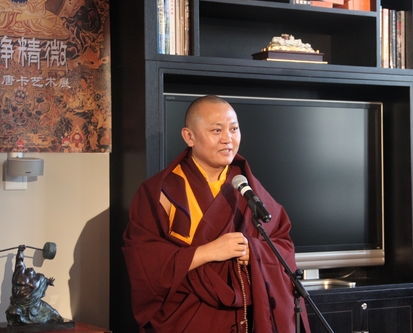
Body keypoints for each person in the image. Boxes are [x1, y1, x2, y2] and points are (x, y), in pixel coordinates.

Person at [123, 95, 310, 332]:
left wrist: (253, 251)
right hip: (187, 319)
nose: (228, 139)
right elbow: (144, 264)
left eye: (234, 129)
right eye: (216, 130)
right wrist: (207, 252)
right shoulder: (160, 192)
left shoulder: (247, 187)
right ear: (189, 136)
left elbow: (282, 245)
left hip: (243, 320)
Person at [6, 245, 64, 325]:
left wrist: (49, 282)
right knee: (14, 313)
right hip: (20, 304)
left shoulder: (39, 278)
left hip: (36, 304)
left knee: (55, 315)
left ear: (34, 274)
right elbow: (19, 260)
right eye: (28, 270)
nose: (30, 269)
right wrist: (20, 251)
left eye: (33, 271)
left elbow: (45, 281)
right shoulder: (20, 275)